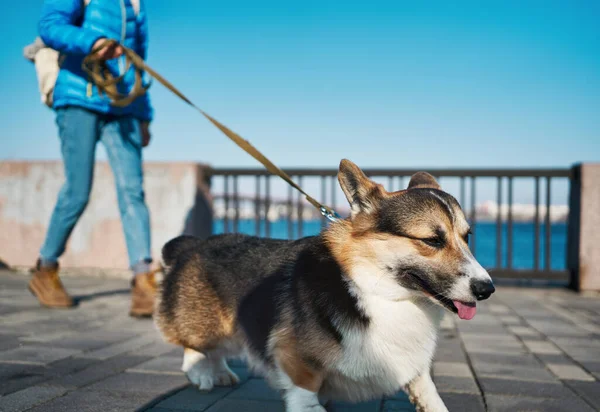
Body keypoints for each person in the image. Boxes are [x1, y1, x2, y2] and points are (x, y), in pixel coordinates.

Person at [28, 0, 156, 317]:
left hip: (122, 105)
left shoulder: (136, 6)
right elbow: (50, 25)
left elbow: (137, 61)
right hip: (78, 96)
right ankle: (45, 269)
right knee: (77, 191)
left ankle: (143, 279)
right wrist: (94, 42)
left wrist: (144, 116)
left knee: (133, 191)